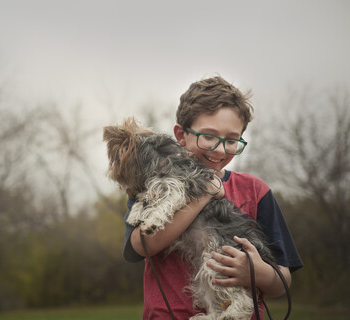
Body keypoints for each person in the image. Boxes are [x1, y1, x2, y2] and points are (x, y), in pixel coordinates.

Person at [122, 76, 303, 319]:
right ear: (181, 135)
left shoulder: (255, 191)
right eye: (208, 136)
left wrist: (257, 272)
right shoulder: (155, 184)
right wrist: (204, 193)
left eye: (231, 140)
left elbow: (282, 281)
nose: (219, 149)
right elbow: (143, 245)